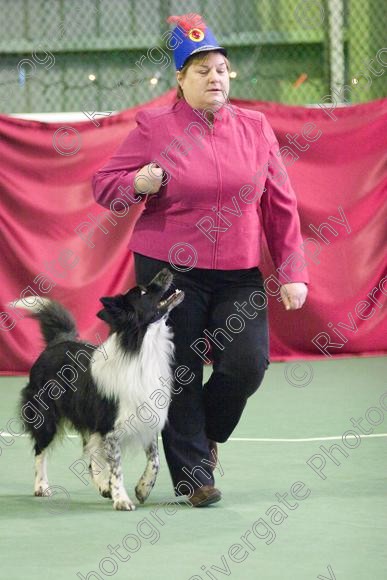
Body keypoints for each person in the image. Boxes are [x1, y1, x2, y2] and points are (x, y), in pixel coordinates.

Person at [92, 13, 309, 507]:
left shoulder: (255, 128)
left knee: (247, 364)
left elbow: (280, 203)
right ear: (180, 80)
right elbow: (103, 184)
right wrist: (135, 185)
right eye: (202, 70)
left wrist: (294, 271)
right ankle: (194, 478)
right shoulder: (153, 127)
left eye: (221, 69)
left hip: (238, 271)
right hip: (169, 269)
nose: (215, 78)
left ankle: (203, 435)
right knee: (182, 370)